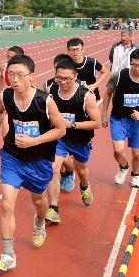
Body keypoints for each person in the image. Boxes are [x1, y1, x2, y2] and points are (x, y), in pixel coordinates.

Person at [0, 54, 66, 272]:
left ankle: (40, 222)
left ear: (32, 76)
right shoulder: (6, 95)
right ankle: (7, 254)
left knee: (39, 201)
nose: (15, 79)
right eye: (11, 74)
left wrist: (34, 141)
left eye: (20, 75)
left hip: (38, 160)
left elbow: (61, 129)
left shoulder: (45, 101)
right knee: (6, 203)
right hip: (12, 156)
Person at [45, 59, 101, 224]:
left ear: (75, 76)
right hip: (59, 138)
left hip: (80, 139)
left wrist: (72, 124)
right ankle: (53, 209)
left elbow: (97, 123)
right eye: (59, 78)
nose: (62, 82)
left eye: (67, 78)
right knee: (54, 168)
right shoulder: (51, 89)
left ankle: (84, 186)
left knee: (81, 170)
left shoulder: (86, 96)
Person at [101, 48, 139, 188]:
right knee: (118, 150)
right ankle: (123, 167)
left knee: (137, 155)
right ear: (130, 62)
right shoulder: (118, 75)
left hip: (138, 122)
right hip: (118, 119)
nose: (136, 68)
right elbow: (107, 94)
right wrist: (104, 114)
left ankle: (135, 176)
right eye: (134, 64)